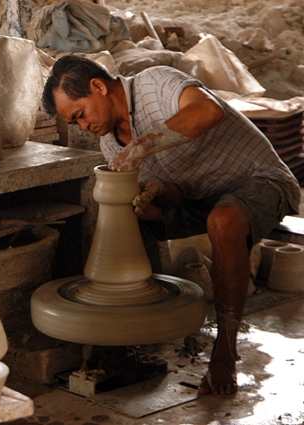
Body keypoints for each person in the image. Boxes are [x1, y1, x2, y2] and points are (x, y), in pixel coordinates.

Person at [41, 55, 300, 395]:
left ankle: (225, 348)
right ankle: (126, 335)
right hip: (201, 199)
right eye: (75, 123)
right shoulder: (109, 143)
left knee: (223, 220)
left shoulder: (154, 83)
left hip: (258, 181)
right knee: (131, 215)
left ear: (99, 87)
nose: (83, 126)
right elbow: (179, 197)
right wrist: (159, 193)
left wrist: (141, 147)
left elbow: (209, 111)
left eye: (80, 114)